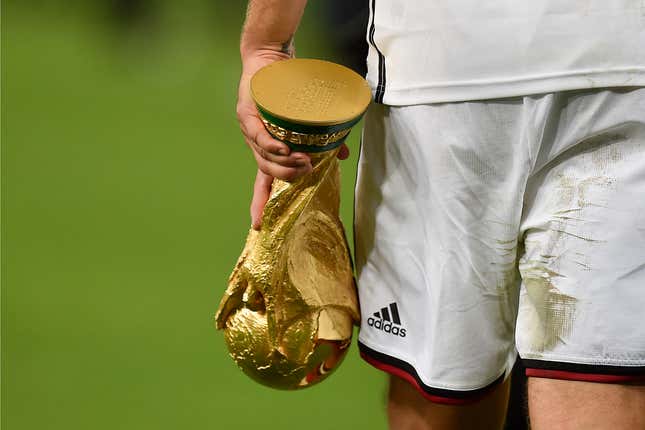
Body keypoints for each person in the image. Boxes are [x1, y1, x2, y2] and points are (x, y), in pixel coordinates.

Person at [235, 1, 645, 428]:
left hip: (442, 71)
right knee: (601, 376)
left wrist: (266, 44)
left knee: (442, 398)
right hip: (624, 64)